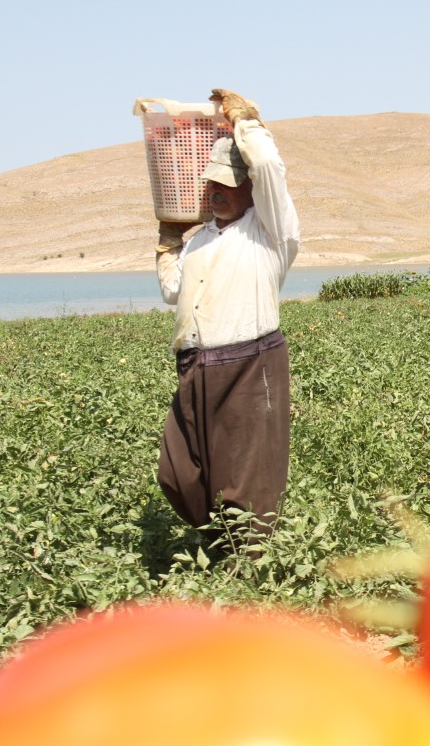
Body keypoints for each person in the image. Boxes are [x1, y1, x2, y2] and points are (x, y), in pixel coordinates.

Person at [154, 88, 301, 554]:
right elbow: (173, 291)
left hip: (249, 363)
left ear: (250, 189)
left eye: (228, 184)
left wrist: (247, 122)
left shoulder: (270, 233)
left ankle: (246, 568)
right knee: (179, 471)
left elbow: (270, 168)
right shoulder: (201, 240)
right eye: (210, 184)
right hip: (196, 366)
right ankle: (221, 545)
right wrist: (168, 245)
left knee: (247, 478)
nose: (215, 192)